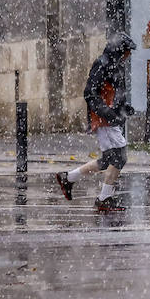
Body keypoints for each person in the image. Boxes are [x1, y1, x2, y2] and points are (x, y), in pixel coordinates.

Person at [56, 32, 136, 212]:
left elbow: (116, 93)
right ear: (120, 50)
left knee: (110, 159)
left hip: (110, 118)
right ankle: (104, 199)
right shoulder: (102, 64)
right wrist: (106, 112)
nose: (129, 55)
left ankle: (68, 178)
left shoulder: (117, 66)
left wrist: (123, 108)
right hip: (103, 119)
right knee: (120, 157)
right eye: (127, 51)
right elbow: (90, 93)